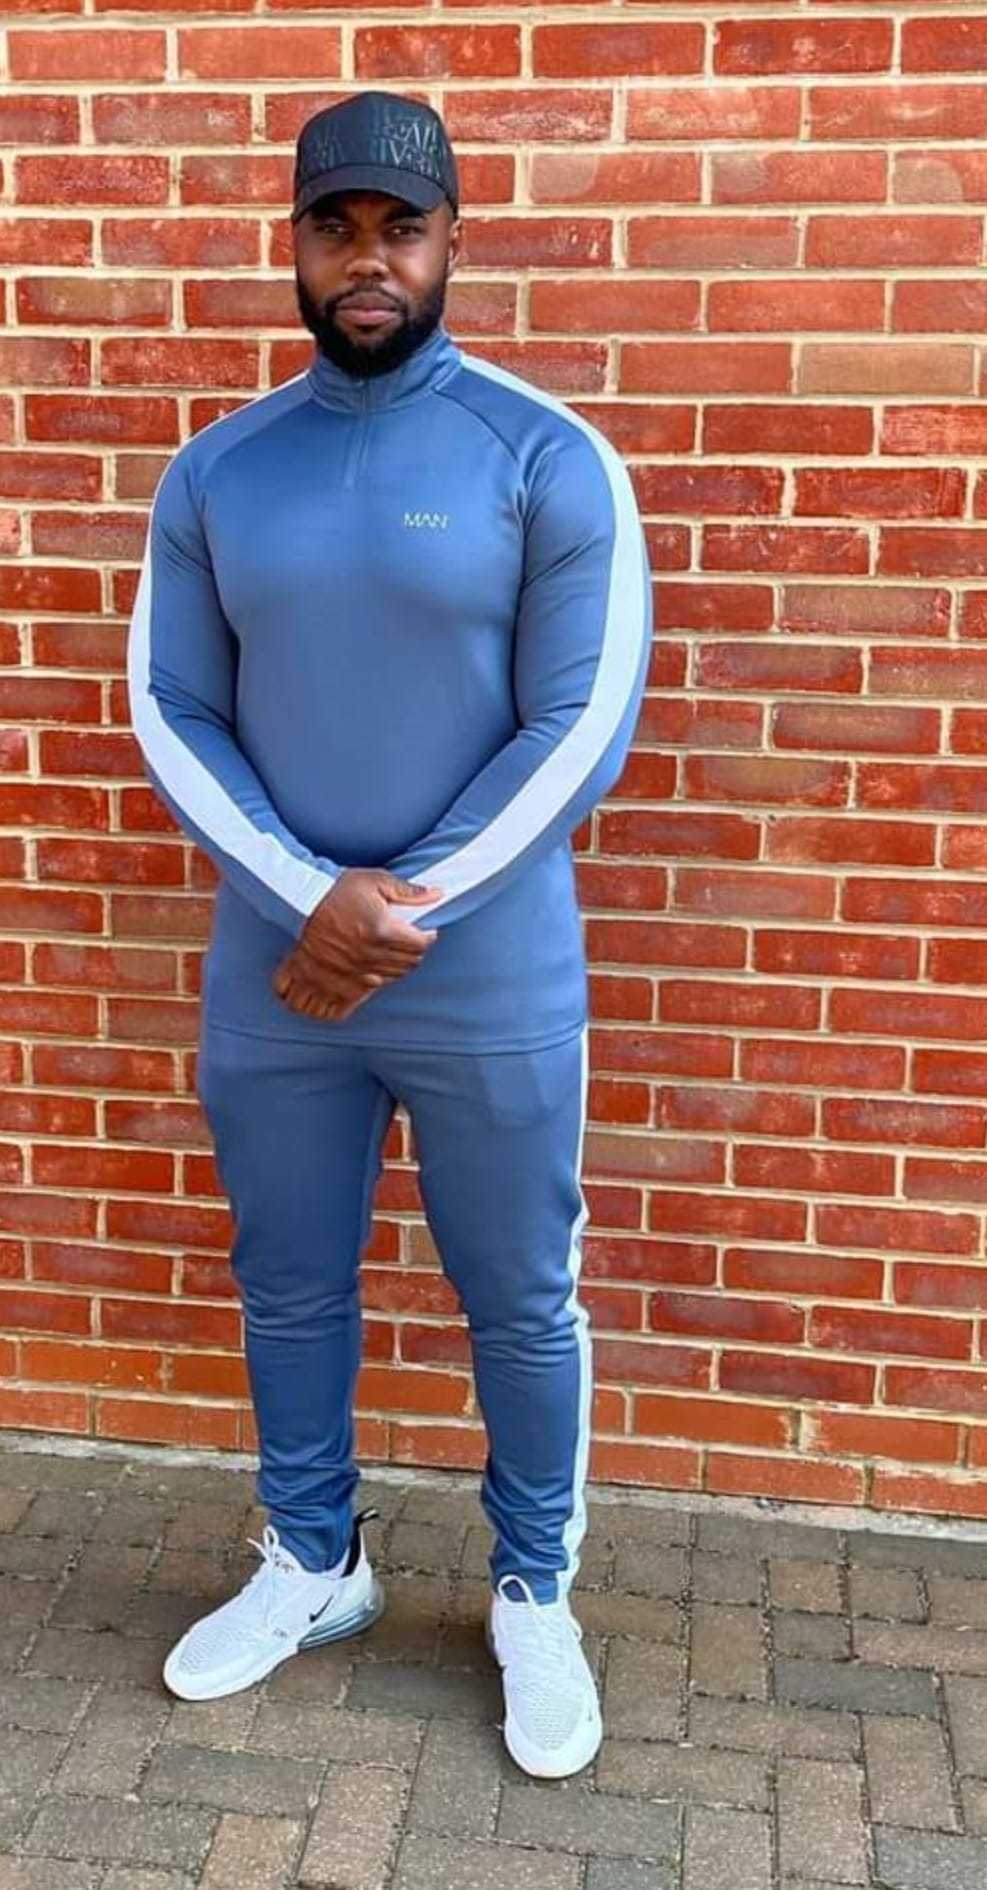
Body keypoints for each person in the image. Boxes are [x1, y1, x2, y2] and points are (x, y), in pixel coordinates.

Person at [126, 89, 651, 1779]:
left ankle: (533, 1587)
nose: (369, 260)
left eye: (400, 228)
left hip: (487, 971)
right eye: (334, 227)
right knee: (287, 1278)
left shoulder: (545, 458)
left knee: (520, 1294)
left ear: (451, 244)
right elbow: (169, 707)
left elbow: (582, 724)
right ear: (293, 244)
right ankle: (314, 1558)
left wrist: (389, 907)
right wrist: (312, 899)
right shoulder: (218, 470)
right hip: (280, 970)